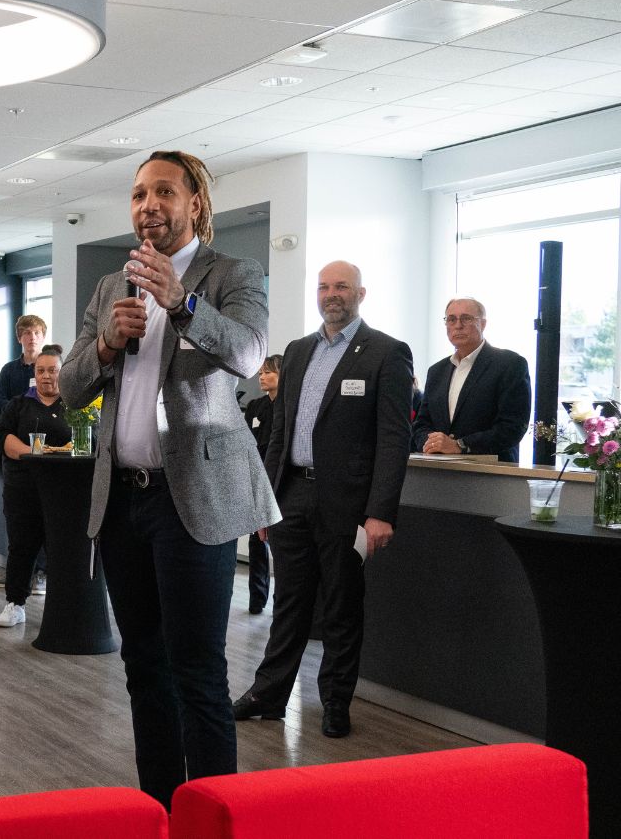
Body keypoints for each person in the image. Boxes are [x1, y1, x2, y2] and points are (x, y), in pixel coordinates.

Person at [59, 150, 276, 808]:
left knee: (198, 672)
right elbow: (69, 388)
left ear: (194, 205)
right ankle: (161, 808)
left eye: (162, 192)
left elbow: (247, 353)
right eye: (137, 194)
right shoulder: (109, 288)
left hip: (194, 501)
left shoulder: (232, 273)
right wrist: (103, 345)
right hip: (123, 500)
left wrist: (179, 304)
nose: (147, 205)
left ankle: (213, 820)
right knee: (142, 668)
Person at [233, 261, 413, 740]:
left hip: (348, 506)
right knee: (288, 603)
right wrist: (266, 502)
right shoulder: (296, 352)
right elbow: (279, 434)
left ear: (361, 293)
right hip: (292, 494)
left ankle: (335, 701)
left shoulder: (386, 353)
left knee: (340, 606)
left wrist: (380, 511)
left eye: (342, 287)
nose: (332, 294)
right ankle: (268, 695)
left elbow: (394, 439)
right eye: (325, 287)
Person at [0, 345, 71, 628]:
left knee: (62, 551)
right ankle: (15, 604)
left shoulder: (75, 405)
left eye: (52, 370)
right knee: (21, 548)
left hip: (63, 494)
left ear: (63, 372)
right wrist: (32, 453)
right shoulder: (18, 404)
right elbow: (1, 437)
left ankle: (64, 610)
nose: (46, 376)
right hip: (23, 490)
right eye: (40, 371)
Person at [412, 298, 531, 463]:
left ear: (483, 324)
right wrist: (431, 443)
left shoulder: (510, 364)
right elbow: (421, 424)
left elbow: (512, 427)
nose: (458, 325)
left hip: (492, 474)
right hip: (438, 471)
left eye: (466, 318)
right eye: (451, 319)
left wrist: (460, 445)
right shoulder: (436, 371)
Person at [0, 314, 50, 592]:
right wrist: (22, 406)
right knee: (17, 516)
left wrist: (20, 408)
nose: (32, 337)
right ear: (20, 338)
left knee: (44, 516)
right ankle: (17, 573)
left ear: (43, 336)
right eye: (27, 333)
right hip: (13, 454)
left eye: (36, 332)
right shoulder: (9, 370)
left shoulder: (50, 367)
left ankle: (40, 573)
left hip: (46, 455)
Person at [241, 355, 283, 614]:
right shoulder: (255, 406)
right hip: (256, 478)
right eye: (260, 373)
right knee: (257, 541)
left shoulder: (289, 406)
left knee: (280, 543)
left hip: (279, 480)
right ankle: (257, 599)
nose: (262, 377)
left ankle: (282, 603)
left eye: (268, 373)